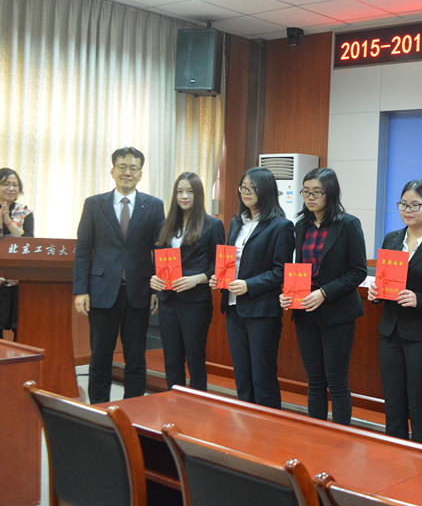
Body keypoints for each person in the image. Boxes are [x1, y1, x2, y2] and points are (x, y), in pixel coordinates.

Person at [367, 179, 422, 445]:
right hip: (390, 331)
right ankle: (394, 455)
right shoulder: (392, 239)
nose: (408, 210)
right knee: (393, 402)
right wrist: (376, 294)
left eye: (415, 205)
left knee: (418, 403)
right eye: (404, 204)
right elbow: (384, 281)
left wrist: (420, 299)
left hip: (421, 335)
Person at [73, 147, 165, 403]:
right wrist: (80, 290)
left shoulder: (154, 206)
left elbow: (160, 250)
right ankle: (99, 412)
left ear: (140, 174)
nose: (127, 172)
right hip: (101, 291)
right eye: (122, 167)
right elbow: (83, 249)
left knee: (136, 357)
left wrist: (157, 289)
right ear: (112, 171)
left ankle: (134, 410)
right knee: (100, 357)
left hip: (139, 292)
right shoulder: (94, 204)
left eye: (133, 168)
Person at [279, 168, 367, 425]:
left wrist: (324, 293)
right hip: (305, 312)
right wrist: (289, 293)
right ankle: (315, 434)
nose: (310, 197)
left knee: (336, 382)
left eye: (317, 192)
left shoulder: (348, 224)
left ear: (330, 193)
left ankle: (340, 437)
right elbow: (299, 267)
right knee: (314, 381)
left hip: (338, 313)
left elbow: (358, 271)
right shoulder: (301, 226)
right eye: (306, 191)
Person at [209, 167, 294, 408]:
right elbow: (230, 261)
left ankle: (268, 427)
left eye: (252, 188)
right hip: (233, 308)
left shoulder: (281, 226)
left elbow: (281, 271)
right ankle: (244, 424)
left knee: (262, 378)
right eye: (243, 187)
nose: (246, 192)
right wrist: (219, 278)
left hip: (262, 312)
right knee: (242, 377)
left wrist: (249, 285)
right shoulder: (237, 222)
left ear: (265, 190)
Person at [150, 172, 225, 391]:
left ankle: (198, 404)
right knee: (171, 359)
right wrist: (155, 281)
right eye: (180, 192)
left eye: (190, 192)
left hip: (195, 301)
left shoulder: (212, 225)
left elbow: (221, 267)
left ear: (198, 195)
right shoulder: (166, 225)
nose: (184, 196)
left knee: (195, 359)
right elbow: (158, 260)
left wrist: (197, 279)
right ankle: (174, 402)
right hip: (167, 300)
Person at [0, 168, 34, 339]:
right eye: (6, 184)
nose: (11, 188)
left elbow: (28, 242)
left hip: (18, 279)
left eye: (15, 185)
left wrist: (7, 220)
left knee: (20, 329)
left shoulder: (25, 212)